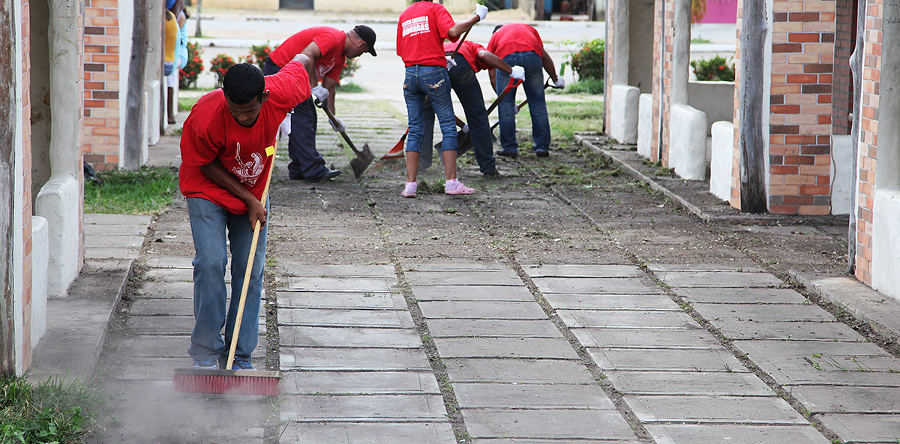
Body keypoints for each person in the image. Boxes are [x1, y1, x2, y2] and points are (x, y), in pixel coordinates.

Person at [179, 57, 310, 370]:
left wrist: (294, 111)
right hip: (206, 187)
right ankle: (206, 351)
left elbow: (302, 60)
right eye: (234, 111)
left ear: (264, 98)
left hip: (254, 192)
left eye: (249, 112)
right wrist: (248, 200)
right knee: (210, 263)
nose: (241, 118)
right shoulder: (205, 116)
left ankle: (240, 354)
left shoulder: (279, 90)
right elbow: (204, 164)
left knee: (250, 269)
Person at [397, 0, 488, 198]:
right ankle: (452, 183)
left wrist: (437, 57)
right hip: (433, 74)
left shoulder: (405, 15)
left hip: (410, 75)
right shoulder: (435, 8)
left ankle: (410, 186)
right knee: (447, 125)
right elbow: (453, 33)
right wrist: (477, 17)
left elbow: (402, 51)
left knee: (415, 127)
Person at [264, 25, 377, 183]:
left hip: (295, 74)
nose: (360, 54)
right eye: (364, 51)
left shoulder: (340, 57)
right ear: (361, 44)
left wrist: (334, 118)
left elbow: (330, 87)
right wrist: (314, 86)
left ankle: (299, 168)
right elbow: (307, 54)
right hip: (281, 67)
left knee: (308, 117)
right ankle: (313, 169)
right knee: (303, 118)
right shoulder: (334, 37)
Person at [418, 40, 525, 177]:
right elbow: (484, 55)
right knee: (477, 116)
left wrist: (463, 126)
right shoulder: (472, 45)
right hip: (459, 63)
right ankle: (488, 168)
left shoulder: (442, 45)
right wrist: (511, 71)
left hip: (433, 65)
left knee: (427, 110)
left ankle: (421, 163)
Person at [488, 23, 565, 158]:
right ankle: (542, 147)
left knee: (505, 107)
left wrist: (504, 98)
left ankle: (509, 148)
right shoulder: (529, 29)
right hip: (532, 58)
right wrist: (555, 79)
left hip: (507, 58)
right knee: (538, 104)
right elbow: (544, 56)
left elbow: (492, 72)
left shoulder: (496, 36)